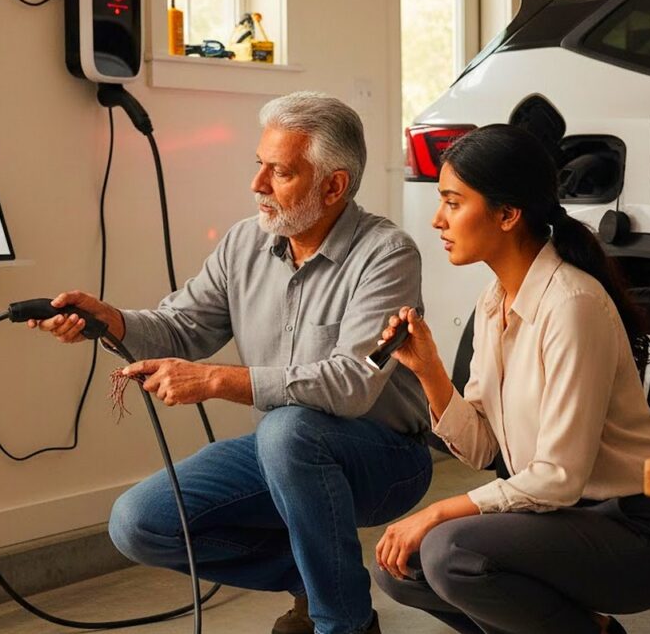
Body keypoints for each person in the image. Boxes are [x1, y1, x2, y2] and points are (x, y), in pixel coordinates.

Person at [32, 92, 432, 634]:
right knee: (139, 522)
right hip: (282, 453)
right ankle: (319, 580)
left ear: (333, 186)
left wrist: (217, 380)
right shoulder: (245, 242)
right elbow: (182, 327)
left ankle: (345, 623)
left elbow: (353, 383)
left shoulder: (386, 255)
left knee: (289, 430)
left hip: (384, 459)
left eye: (280, 172)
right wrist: (111, 321)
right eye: (258, 165)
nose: (257, 185)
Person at [372, 124, 650, 634]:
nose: (437, 220)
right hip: (556, 522)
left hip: (632, 531)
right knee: (398, 566)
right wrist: (429, 369)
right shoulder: (495, 301)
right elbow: (481, 451)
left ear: (506, 214)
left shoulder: (572, 304)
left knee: (447, 549)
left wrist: (436, 513)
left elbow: (559, 478)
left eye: (453, 203)